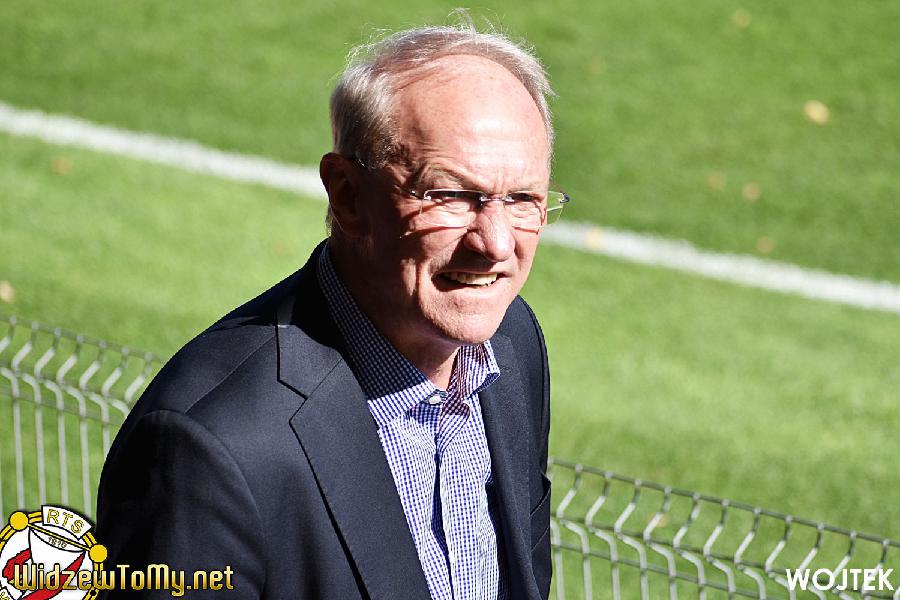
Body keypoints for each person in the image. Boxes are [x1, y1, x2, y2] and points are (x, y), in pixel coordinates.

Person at [96, 22, 568, 600]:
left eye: (522, 199)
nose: (494, 244)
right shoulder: (209, 449)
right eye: (450, 195)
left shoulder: (512, 344)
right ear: (346, 195)